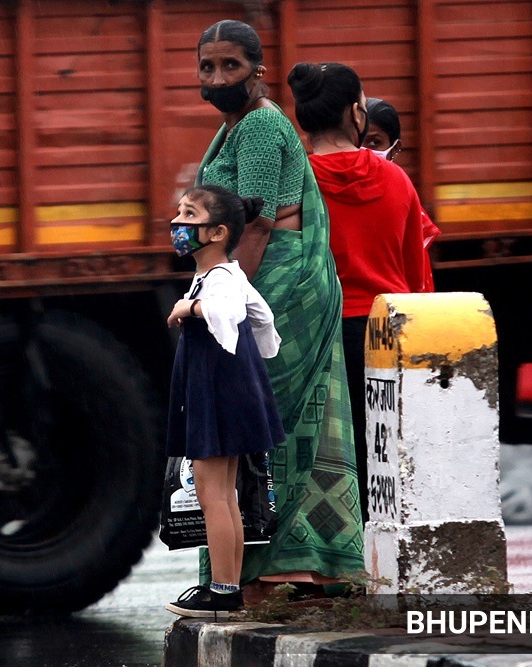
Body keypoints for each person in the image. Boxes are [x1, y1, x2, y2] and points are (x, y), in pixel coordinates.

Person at [191, 19, 364, 602]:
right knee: (264, 424)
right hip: (258, 276)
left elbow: (257, 221)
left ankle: (288, 565)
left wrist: (227, 294)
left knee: (267, 421)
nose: (217, 78)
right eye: (208, 67)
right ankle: (271, 566)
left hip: (279, 283)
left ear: (257, 69)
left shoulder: (262, 126)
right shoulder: (233, 127)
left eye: (230, 66)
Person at [288, 63, 429, 521]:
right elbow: (417, 275)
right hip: (388, 333)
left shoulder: (297, 186)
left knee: (328, 460)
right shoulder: (397, 180)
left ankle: (334, 565)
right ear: (355, 114)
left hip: (320, 338)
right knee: (385, 456)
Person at [163, 185, 285, 618]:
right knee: (224, 495)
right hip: (228, 386)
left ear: (216, 232)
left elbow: (226, 313)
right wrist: (260, 350)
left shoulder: (218, 280)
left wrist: (186, 308)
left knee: (212, 494)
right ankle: (226, 587)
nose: (178, 224)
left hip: (217, 389)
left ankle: (223, 590)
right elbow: (263, 319)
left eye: (189, 215)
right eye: (179, 213)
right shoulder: (227, 274)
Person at [364, 97, 440, 291]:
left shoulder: (401, 189)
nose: (364, 152)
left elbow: (416, 269)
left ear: (395, 148)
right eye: (357, 143)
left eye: (374, 142)